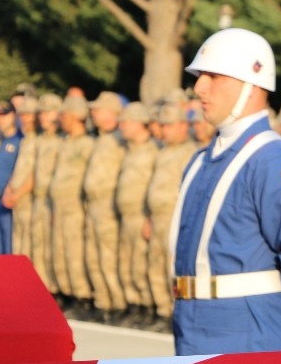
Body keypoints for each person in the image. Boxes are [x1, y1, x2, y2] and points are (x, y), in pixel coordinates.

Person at [173, 27, 281, 354]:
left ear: (252, 84)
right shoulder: (204, 159)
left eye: (214, 76)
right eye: (201, 75)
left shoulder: (273, 160)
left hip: (250, 331)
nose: (199, 86)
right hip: (193, 323)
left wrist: (274, 305)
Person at [146, 103, 198, 331]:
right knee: (155, 265)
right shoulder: (163, 151)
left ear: (183, 126)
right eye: (163, 125)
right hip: (157, 217)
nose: (164, 130)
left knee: (175, 269)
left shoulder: (192, 153)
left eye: (169, 125)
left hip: (176, 219)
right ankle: (162, 310)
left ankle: (180, 313)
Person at [83, 91, 128, 322]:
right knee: (93, 255)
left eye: (98, 110)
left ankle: (117, 303)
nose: (93, 113)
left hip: (108, 206)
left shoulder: (121, 139)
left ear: (111, 112)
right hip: (93, 206)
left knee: (109, 257)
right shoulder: (99, 137)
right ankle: (101, 301)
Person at [50, 95, 95, 313]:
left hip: (75, 206)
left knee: (76, 252)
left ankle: (82, 297)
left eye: (65, 115)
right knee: (61, 251)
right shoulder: (65, 142)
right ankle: (66, 293)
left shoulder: (87, 144)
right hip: (60, 206)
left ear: (76, 117)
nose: (61, 119)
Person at [115, 102, 159, 326]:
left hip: (141, 216)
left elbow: (155, 187)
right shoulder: (127, 150)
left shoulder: (153, 151)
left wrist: (149, 217)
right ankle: (132, 304)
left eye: (126, 121)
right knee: (126, 263)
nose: (121, 126)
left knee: (143, 264)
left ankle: (148, 307)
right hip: (125, 215)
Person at [31, 93, 63, 293]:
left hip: (55, 201)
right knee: (38, 246)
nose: (43, 117)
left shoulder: (62, 141)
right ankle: (40, 288)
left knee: (55, 248)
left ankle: (56, 289)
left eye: (48, 112)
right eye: (41, 113)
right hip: (37, 199)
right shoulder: (39, 139)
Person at [0, 101, 23, 254]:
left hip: (8, 200)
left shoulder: (20, 140)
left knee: (9, 246)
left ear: (14, 115)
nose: (0, 119)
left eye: (5, 115)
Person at [8, 96, 37, 259]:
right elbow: (18, 170)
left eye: (28, 115)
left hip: (28, 200)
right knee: (17, 247)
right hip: (17, 201)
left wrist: (17, 194)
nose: (24, 119)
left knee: (28, 249)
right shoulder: (25, 140)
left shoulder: (38, 141)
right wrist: (9, 190)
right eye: (22, 115)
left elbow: (35, 173)